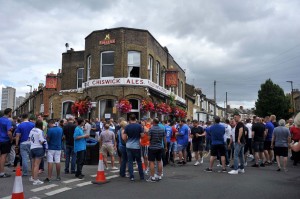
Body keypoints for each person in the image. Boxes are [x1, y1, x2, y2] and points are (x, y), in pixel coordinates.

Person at [122, 114, 144, 181]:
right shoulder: (139, 126)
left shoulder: (127, 127)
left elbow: (124, 137)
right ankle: (141, 176)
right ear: (136, 119)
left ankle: (131, 176)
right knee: (139, 161)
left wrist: (127, 142)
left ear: (129, 119)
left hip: (129, 146)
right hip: (137, 146)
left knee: (130, 161)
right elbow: (142, 136)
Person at [146, 118, 167, 182]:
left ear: (153, 122)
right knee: (159, 161)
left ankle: (152, 177)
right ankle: (159, 175)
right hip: (160, 147)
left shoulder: (151, 129)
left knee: (151, 162)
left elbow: (149, 139)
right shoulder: (162, 129)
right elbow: (164, 139)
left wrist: (147, 134)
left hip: (152, 147)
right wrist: (165, 146)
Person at [29, 120, 46, 185]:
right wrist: (45, 139)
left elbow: (29, 138)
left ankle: (32, 177)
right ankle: (36, 180)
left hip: (32, 147)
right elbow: (41, 141)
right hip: (38, 148)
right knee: (37, 165)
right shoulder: (40, 131)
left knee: (33, 164)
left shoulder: (32, 130)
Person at [0, 108, 13, 178]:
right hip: (4, 140)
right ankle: (2, 173)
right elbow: (9, 132)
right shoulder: (8, 121)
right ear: (9, 113)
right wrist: (11, 139)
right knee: (3, 156)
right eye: (11, 112)